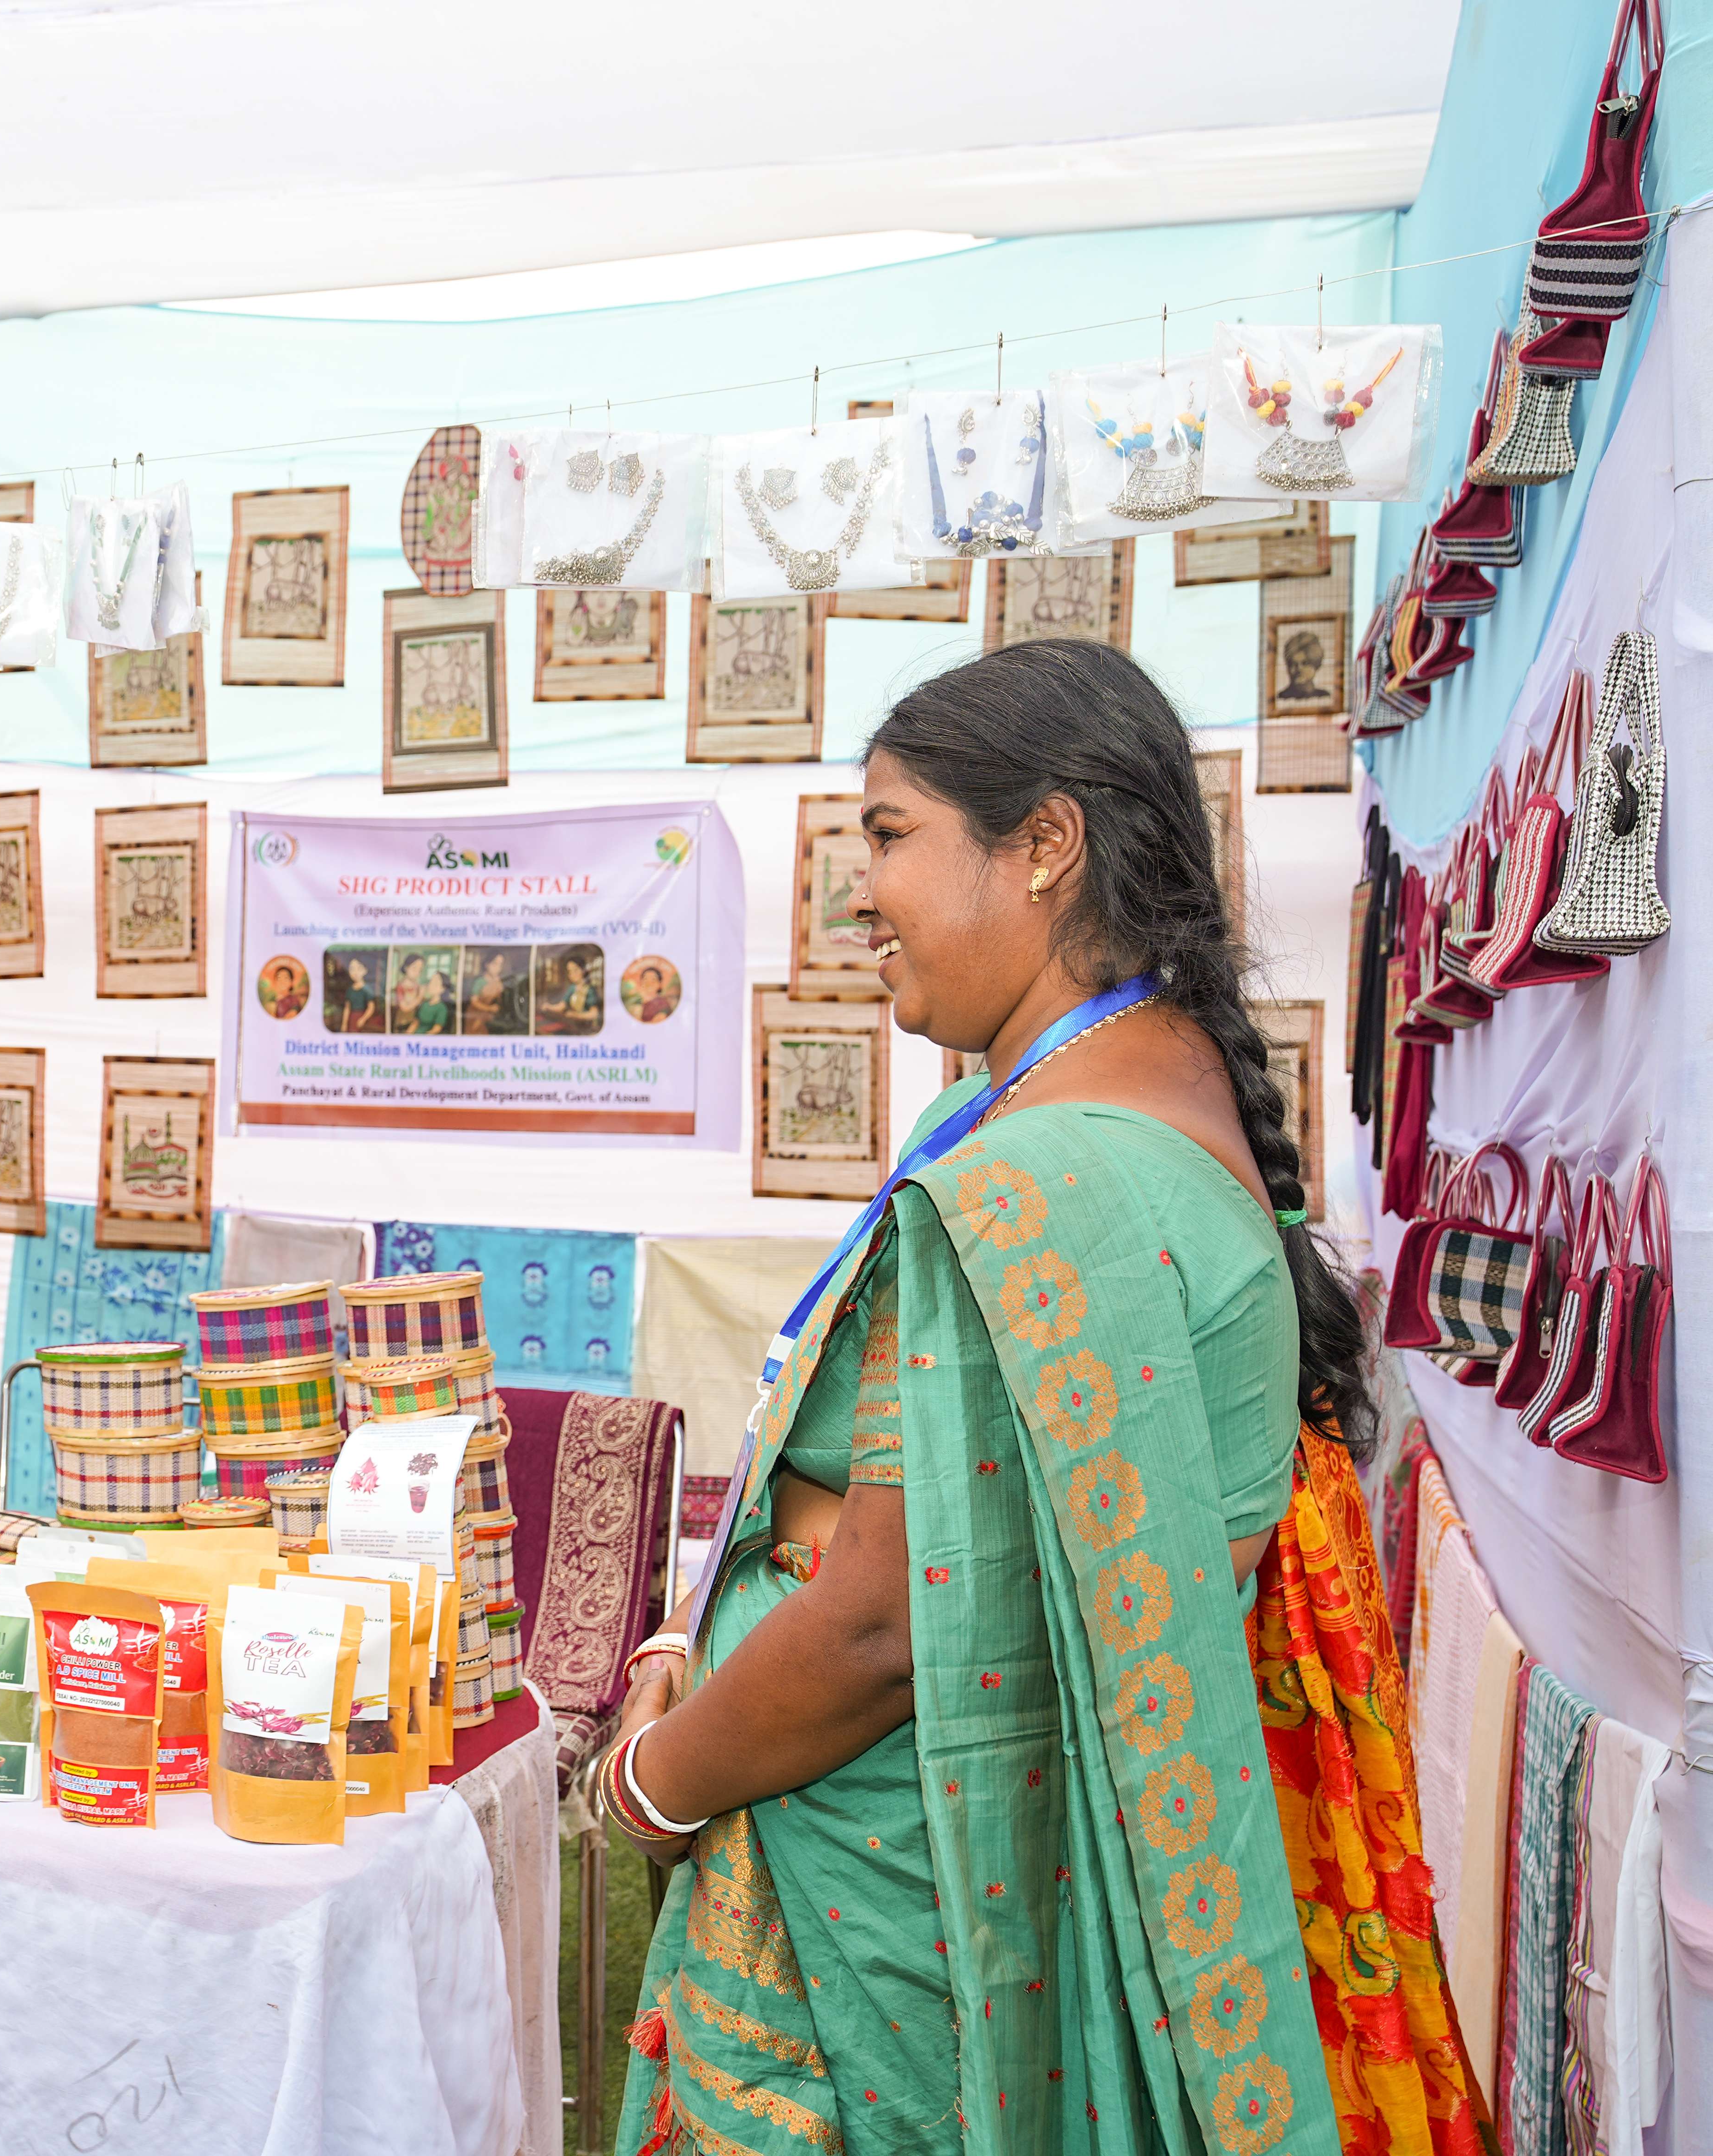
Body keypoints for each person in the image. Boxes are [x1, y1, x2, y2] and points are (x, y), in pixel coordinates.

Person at [603, 642, 1483, 2156]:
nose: (854, 892)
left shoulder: (1053, 1176)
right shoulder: (1040, 1112)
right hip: (886, 1840)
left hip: (876, 1883)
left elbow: (889, 1620)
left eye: (886, 836)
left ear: (1046, 845)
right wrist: (694, 1631)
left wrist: (651, 1785)